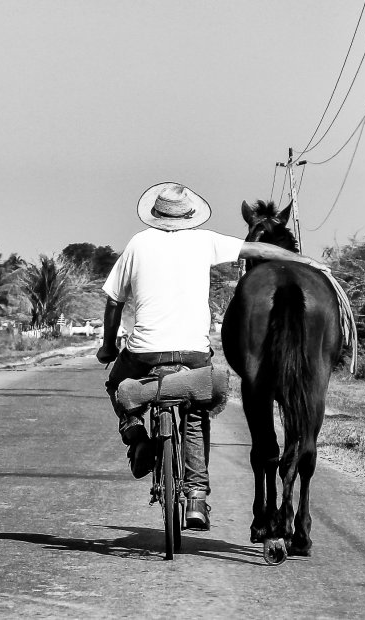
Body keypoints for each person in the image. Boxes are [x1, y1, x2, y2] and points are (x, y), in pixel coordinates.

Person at [96, 182, 326, 530]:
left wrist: (108, 346)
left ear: (155, 215)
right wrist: (303, 260)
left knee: (116, 382)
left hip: (144, 353)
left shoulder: (138, 243)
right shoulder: (205, 240)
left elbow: (114, 301)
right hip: (192, 354)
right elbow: (259, 249)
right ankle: (197, 498)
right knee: (194, 411)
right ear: (190, 215)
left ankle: (136, 435)